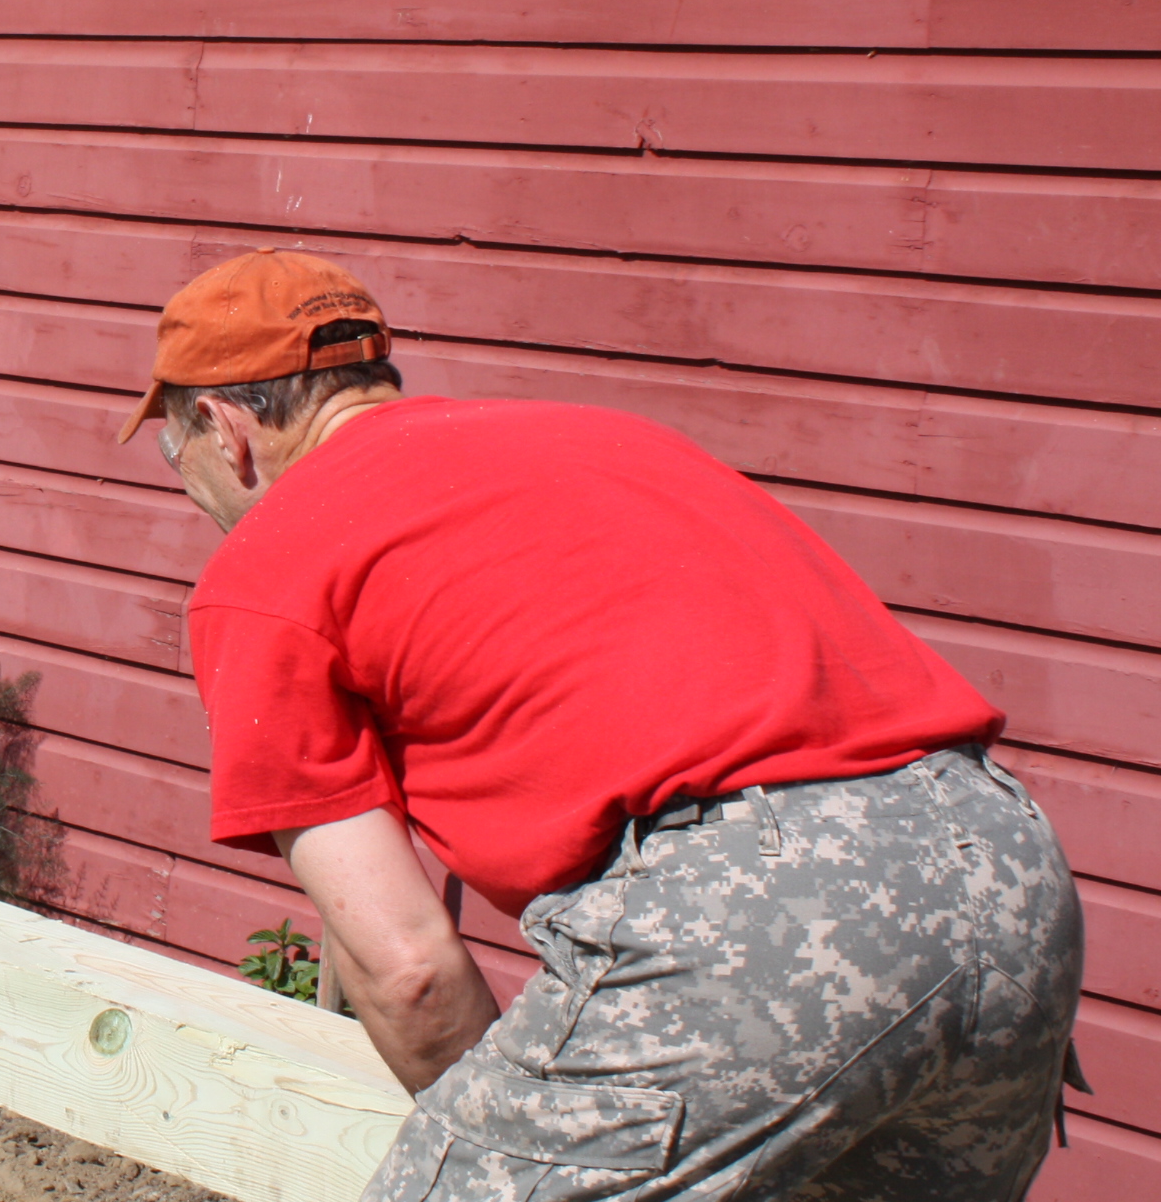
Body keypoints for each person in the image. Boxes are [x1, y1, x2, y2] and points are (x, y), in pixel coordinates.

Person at [125, 248, 1083, 1201]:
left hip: (762, 914)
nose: (190, 485)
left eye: (176, 453)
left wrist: (490, 1151)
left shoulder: (271, 565)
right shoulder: (608, 439)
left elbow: (408, 969)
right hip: (1006, 873)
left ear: (224, 428)